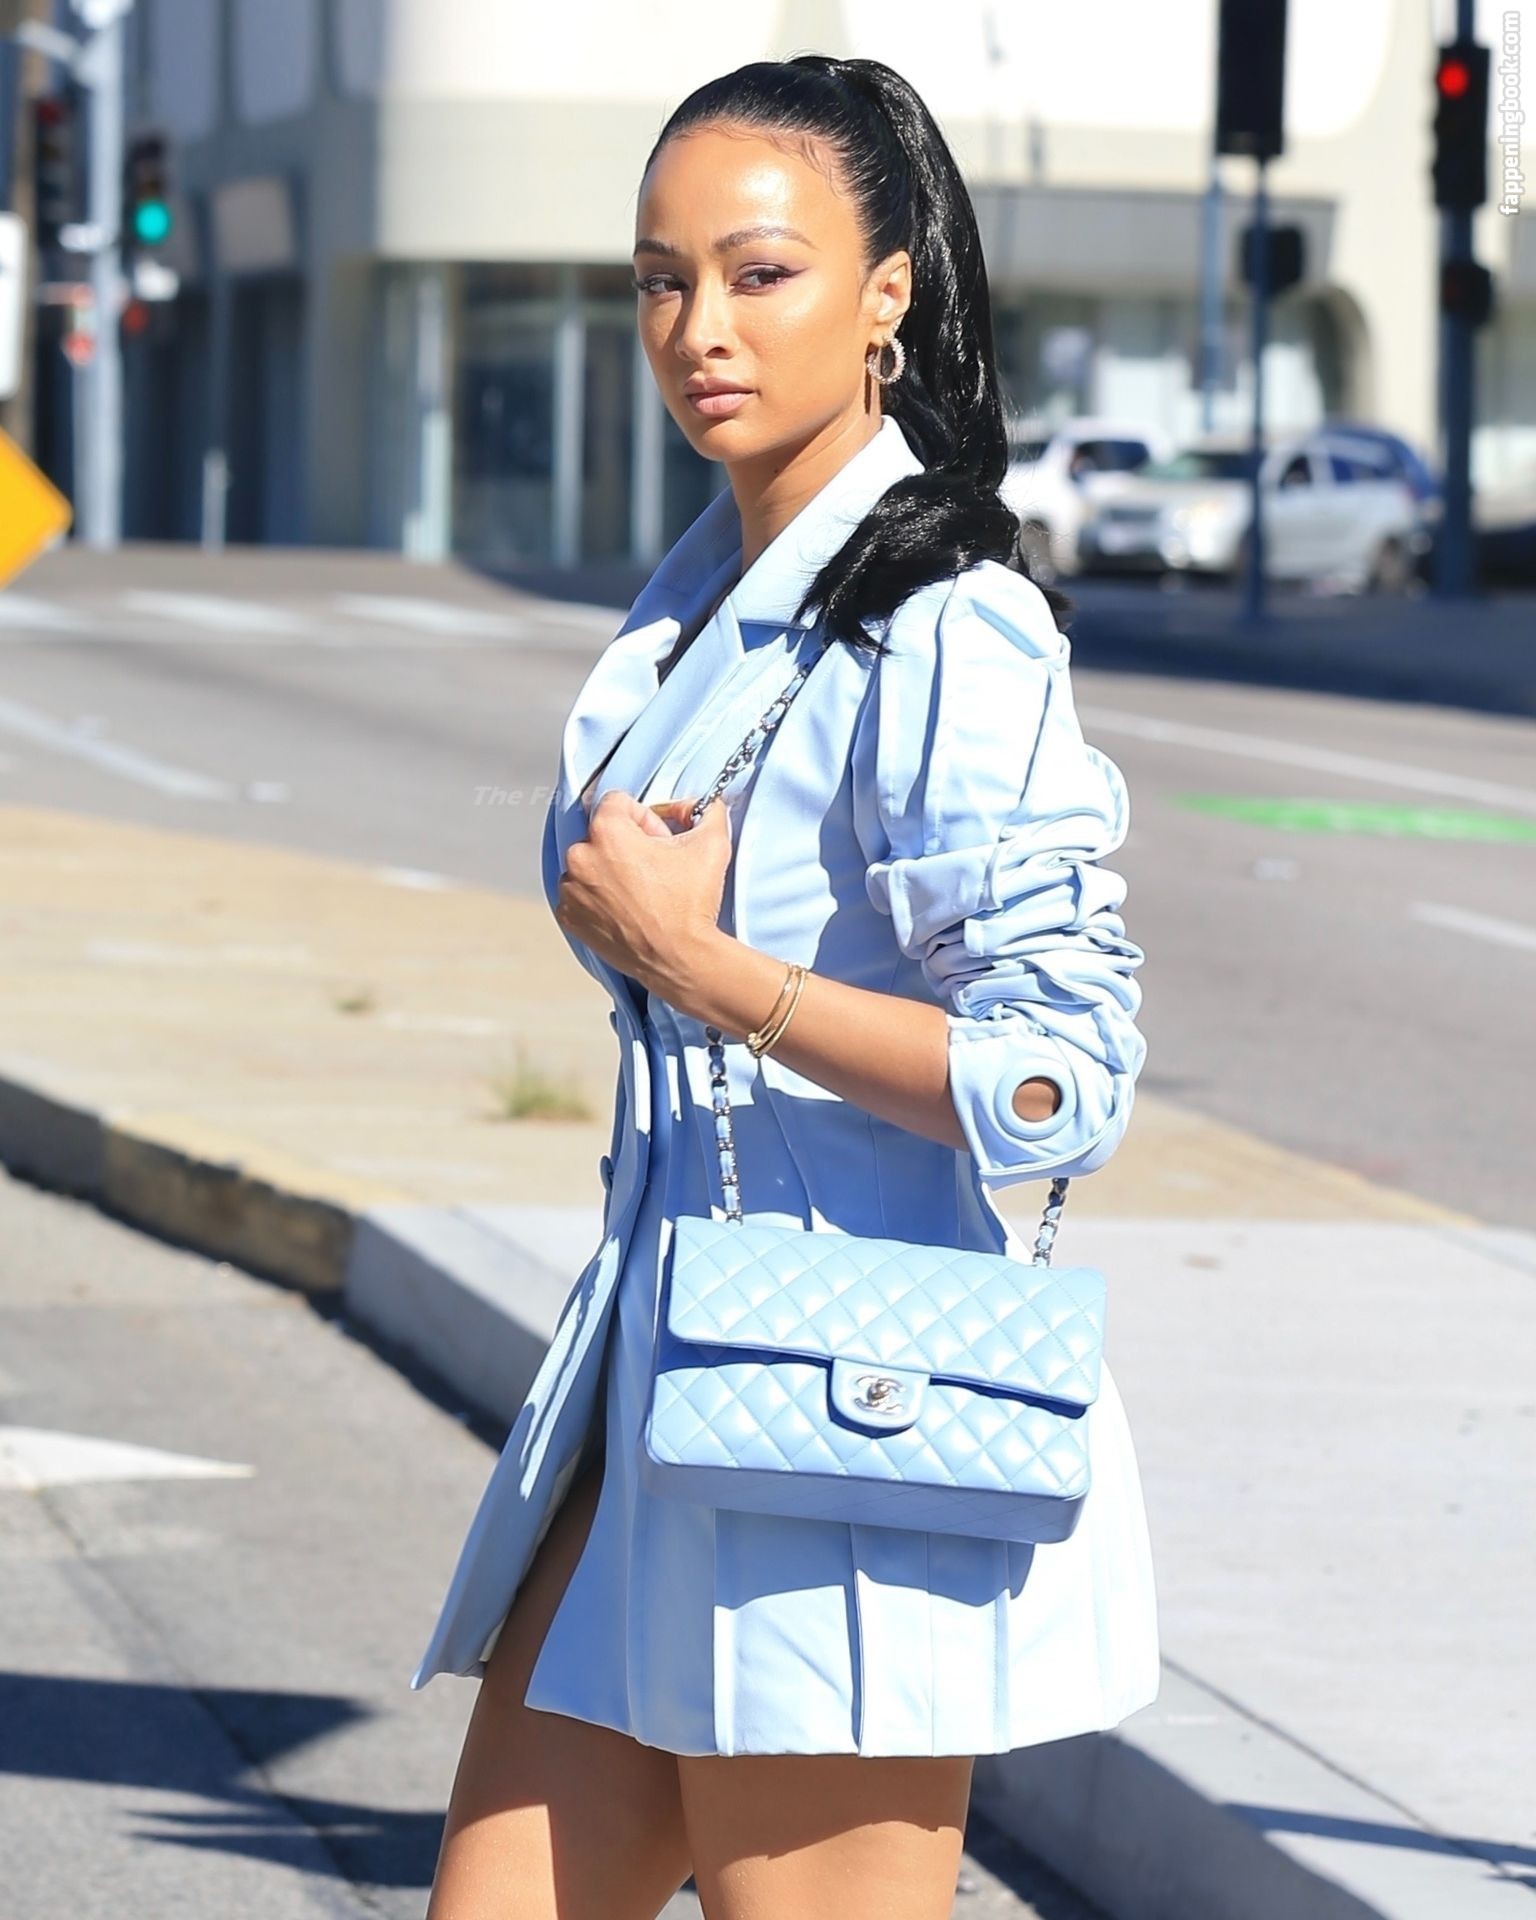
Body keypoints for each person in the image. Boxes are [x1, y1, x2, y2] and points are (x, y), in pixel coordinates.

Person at [414, 53, 1159, 1920]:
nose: (701, 331)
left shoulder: (950, 624)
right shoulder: (720, 599)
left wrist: (706, 968)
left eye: (761, 275)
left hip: (837, 1425)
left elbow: (1061, 1081)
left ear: (886, 293)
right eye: (661, 281)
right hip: (659, 1389)